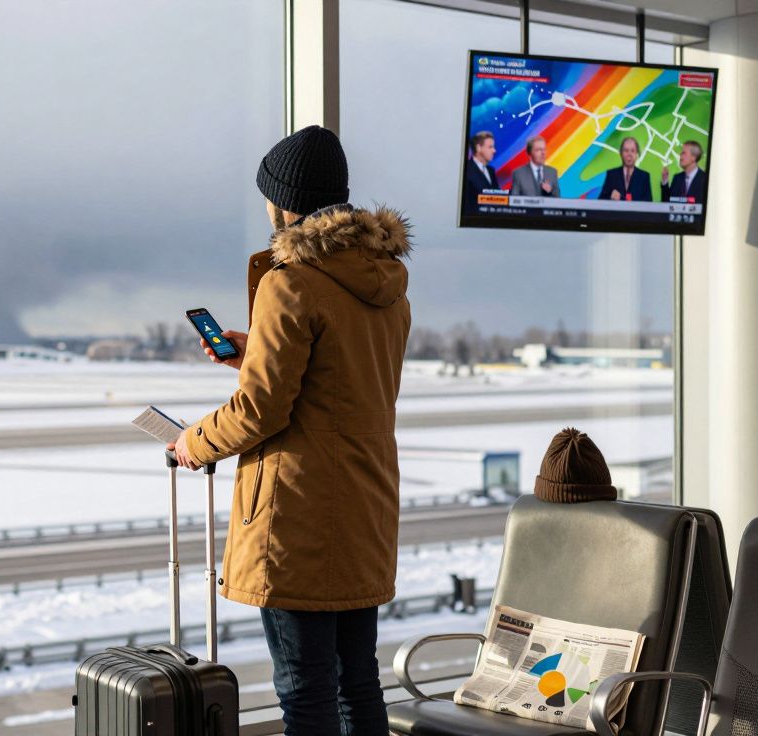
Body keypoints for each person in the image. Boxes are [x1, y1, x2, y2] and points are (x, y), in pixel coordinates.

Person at [169, 125, 411, 735]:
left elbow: (260, 410)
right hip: (365, 510)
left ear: (283, 203)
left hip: (298, 521)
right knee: (358, 684)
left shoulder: (291, 283)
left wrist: (191, 443)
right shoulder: (387, 287)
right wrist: (257, 351)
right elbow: (343, 383)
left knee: (304, 695)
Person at [597, 136, 652, 201]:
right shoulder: (612, 174)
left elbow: (648, 204)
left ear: (637, 154)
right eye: (626, 151)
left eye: (632, 151)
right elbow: (601, 200)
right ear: (621, 153)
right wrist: (610, 197)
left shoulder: (644, 176)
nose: (629, 154)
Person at [463, 130, 499, 211]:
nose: (494, 151)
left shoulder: (491, 171)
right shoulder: (466, 170)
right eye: (490, 147)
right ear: (478, 148)